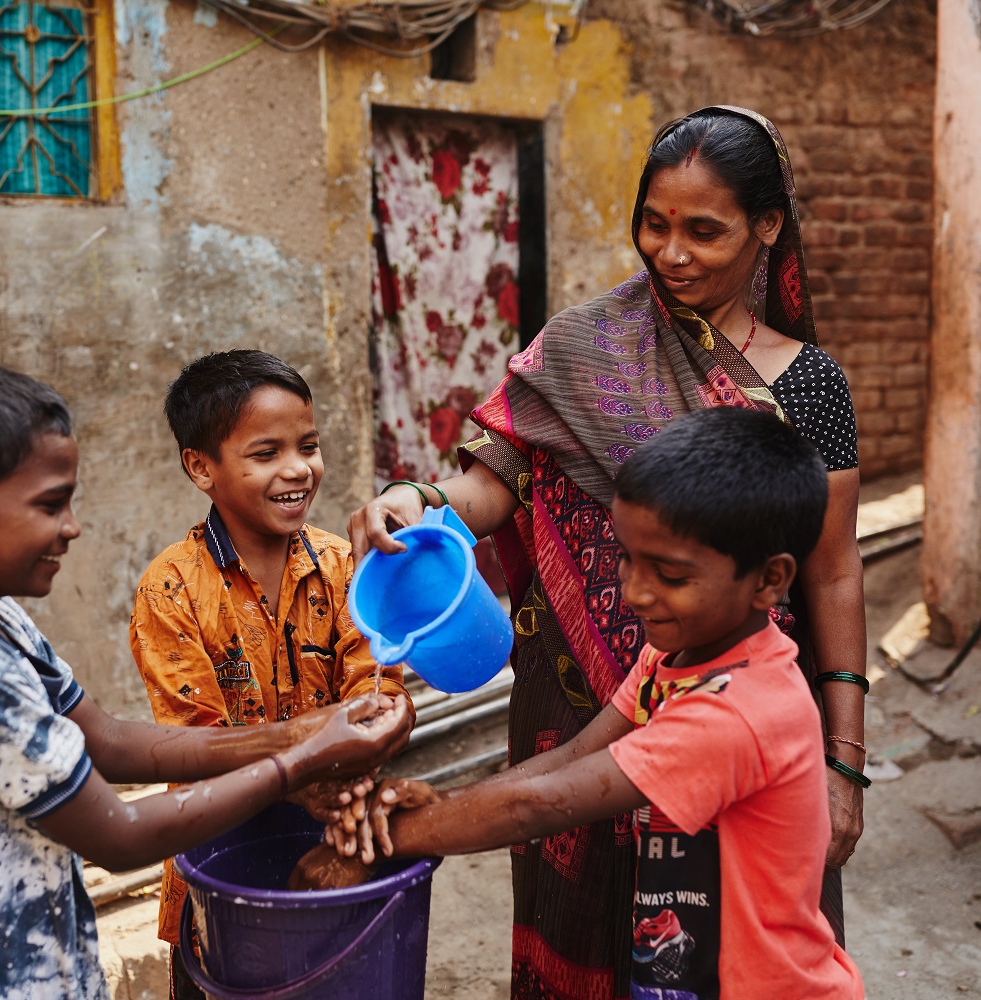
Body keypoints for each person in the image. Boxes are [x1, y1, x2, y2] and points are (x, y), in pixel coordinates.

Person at [348, 106, 868, 998]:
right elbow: (496, 482)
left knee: (730, 928)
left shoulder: (808, 386)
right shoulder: (587, 345)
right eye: (654, 225)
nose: (671, 253)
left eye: (704, 230)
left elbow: (830, 571)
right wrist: (422, 501)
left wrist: (845, 761)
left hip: (722, 679)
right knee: (578, 908)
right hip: (585, 689)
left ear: (768, 226)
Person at [0, 354, 412, 1000]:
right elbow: (118, 835)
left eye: (307, 446)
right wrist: (303, 758)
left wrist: (294, 739)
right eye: (49, 505)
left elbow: (109, 741)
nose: (72, 527)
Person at [311, 407, 865, 1000]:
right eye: (628, 557)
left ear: (770, 581)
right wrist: (437, 801)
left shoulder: (740, 711)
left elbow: (541, 806)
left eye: (670, 574)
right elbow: (574, 755)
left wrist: (383, 835)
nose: (634, 590)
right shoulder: (677, 658)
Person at [129, 349, 410, 998]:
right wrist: (304, 770)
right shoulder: (173, 588)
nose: (296, 470)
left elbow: (381, 690)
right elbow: (192, 744)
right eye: (265, 453)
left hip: (340, 837)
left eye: (307, 446)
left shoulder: (348, 568)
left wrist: (392, 723)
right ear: (201, 467)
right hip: (222, 852)